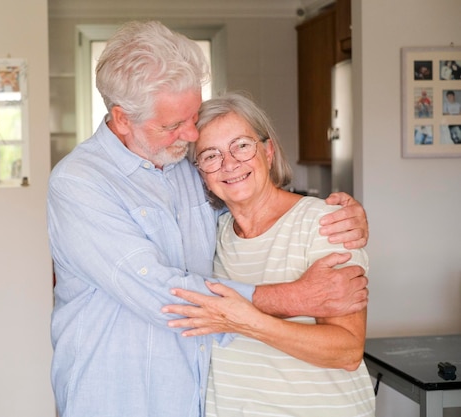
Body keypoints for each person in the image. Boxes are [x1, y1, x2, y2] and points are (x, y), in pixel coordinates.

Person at [47, 21, 369, 417]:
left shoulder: (184, 162)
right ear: (122, 118)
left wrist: (345, 214)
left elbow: (251, 198)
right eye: (172, 125)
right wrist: (296, 297)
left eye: (193, 116)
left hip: (196, 400)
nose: (191, 135)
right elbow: (165, 294)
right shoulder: (79, 182)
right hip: (118, 398)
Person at [163, 91, 375, 416]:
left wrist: (249, 322)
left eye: (242, 146)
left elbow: (346, 350)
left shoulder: (325, 222)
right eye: (210, 155)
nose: (230, 163)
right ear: (201, 175)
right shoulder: (209, 238)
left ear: (268, 151)